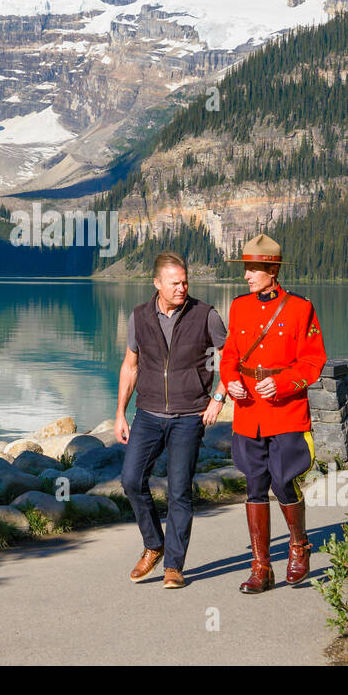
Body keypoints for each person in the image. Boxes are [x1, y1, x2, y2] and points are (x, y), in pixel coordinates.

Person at [217, 234, 327, 593]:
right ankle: (261, 567)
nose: (247, 275)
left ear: (271, 269)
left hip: (285, 411)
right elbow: (231, 354)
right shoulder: (239, 307)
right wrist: (231, 382)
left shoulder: (300, 308)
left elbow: (313, 360)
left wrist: (282, 384)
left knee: (282, 481)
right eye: (246, 268)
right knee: (254, 485)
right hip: (249, 411)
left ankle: (299, 546)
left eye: (252, 269)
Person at [116, 251, 227, 589]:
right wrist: (120, 412)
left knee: (179, 491)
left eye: (185, 281)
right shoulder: (138, 316)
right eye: (175, 282)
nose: (182, 287)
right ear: (157, 284)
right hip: (147, 413)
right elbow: (130, 366)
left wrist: (218, 399)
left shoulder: (205, 315)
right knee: (131, 480)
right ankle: (154, 545)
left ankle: (174, 566)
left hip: (188, 416)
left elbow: (233, 357)